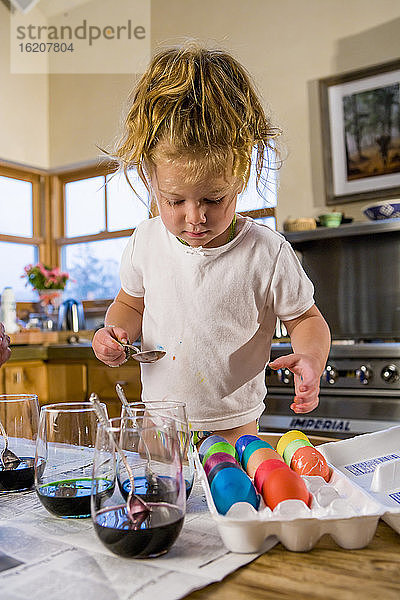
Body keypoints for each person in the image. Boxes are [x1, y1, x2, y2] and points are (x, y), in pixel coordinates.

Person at [92, 43, 331, 446]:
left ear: (239, 181)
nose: (194, 217)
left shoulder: (266, 252)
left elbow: (306, 320)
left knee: (229, 504)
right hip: (158, 418)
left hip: (233, 422)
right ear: (151, 183)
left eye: (213, 199)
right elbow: (131, 303)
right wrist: (115, 332)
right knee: (160, 504)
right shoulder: (146, 241)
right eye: (174, 201)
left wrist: (310, 358)